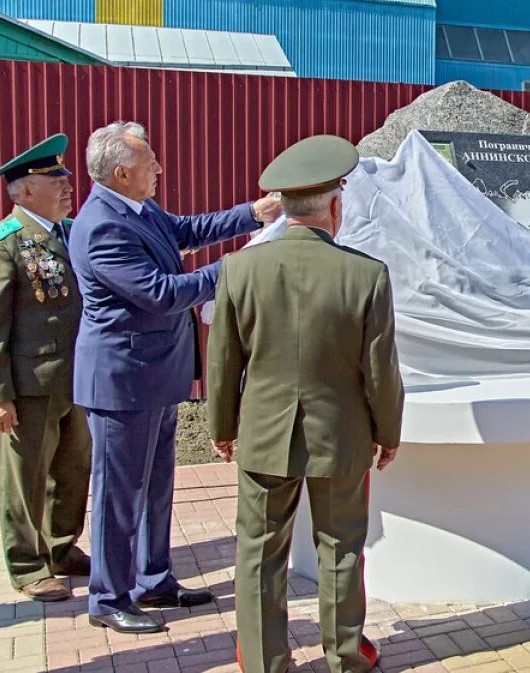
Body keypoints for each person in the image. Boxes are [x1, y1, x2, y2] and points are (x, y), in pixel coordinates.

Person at [68, 121, 282, 633]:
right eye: (150, 163)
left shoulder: (135, 210)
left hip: (155, 374)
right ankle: (109, 598)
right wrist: (241, 264)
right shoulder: (103, 225)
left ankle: (153, 579)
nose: (159, 168)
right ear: (121, 172)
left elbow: (185, 231)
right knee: (119, 493)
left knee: (156, 485)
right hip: (123, 381)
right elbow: (162, 292)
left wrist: (253, 214)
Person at [207, 134, 405, 673]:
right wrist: (388, 432)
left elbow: (223, 362)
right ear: (335, 206)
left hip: (263, 434)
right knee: (340, 549)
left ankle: (265, 663)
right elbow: (380, 369)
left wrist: (222, 427)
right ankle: (345, 656)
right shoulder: (366, 274)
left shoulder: (238, 269)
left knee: (258, 554)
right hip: (340, 435)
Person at [0, 133, 91, 602]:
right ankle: (27, 564)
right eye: (53, 176)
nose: (66, 183)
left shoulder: (74, 232)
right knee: (25, 480)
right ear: (23, 189)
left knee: (74, 470)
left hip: (76, 380)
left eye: (65, 174)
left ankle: (60, 549)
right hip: (28, 387)